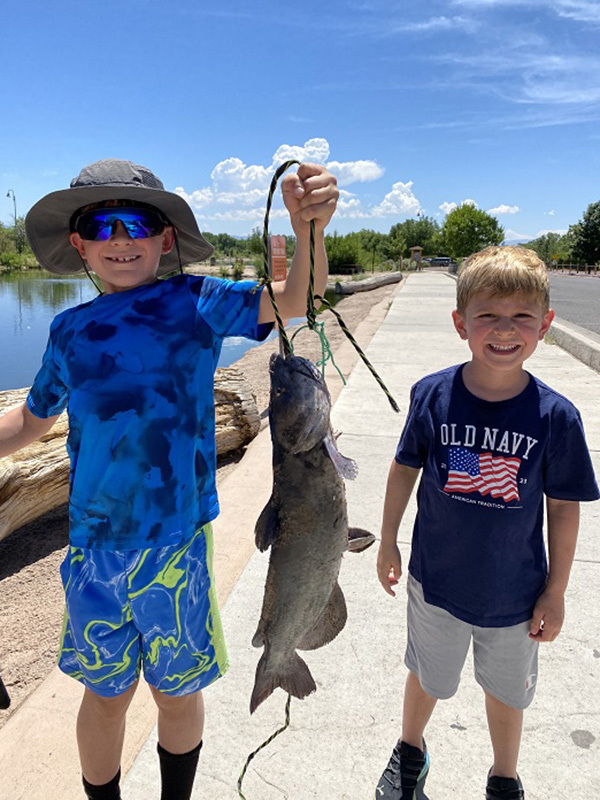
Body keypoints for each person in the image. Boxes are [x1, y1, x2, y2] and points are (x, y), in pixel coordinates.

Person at [0, 158, 338, 800]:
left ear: (165, 238)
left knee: (177, 694)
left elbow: (301, 299)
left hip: (176, 547)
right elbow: (31, 422)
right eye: (102, 224)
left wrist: (306, 226)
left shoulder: (198, 303)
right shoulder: (67, 330)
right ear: (79, 243)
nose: (121, 238)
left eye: (140, 222)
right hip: (93, 551)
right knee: (105, 696)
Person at [375, 246, 599, 800]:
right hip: (436, 583)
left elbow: (563, 508)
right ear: (461, 323)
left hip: (515, 596)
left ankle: (504, 776)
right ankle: (410, 750)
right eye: (488, 315)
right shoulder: (432, 395)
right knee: (428, 676)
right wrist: (387, 540)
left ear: (545, 325)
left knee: (507, 693)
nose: (505, 329)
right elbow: (404, 468)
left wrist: (557, 591)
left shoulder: (557, 416)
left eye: (522, 315)